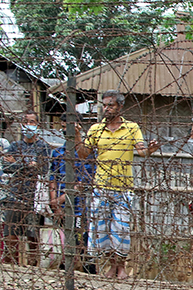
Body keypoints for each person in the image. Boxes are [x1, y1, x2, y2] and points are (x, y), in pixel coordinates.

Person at [77, 90, 160, 279]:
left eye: (111, 105)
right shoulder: (96, 129)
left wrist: (151, 149)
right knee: (102, 228)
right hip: (101, 186)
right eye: (104, 105)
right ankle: (111, 267)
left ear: (120, 107)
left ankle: (121, 267)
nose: (106, 109)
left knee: (121, 228)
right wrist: (75, 136)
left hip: (123, 187)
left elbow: (142, 152)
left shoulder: (131, 128)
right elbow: (83, 154)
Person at [1, 111, 50, 265]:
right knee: (10, 234)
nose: (28, 125)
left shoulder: (43, 146)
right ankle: (12, 266)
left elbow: (42, 169)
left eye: (32, 122)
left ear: (38, 125)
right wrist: (27, 165)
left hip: (33, 197)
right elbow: (6, 167)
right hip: (14, 195)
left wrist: (17, 163)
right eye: (25, 122)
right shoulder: (15, 145)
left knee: (32, 235)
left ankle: (32, 266)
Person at [49, 116, 96, 272]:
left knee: (81, 240)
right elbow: (52, 179)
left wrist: (61, 198)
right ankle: (67, 269)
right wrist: (55, 203)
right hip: (61, 207)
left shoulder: (86, 154)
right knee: (65, 240)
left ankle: (82, 268)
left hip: (81, 206)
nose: (65, 130)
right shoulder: (57, 152)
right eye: (63, 126)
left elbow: (86, 182)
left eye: (69, 126)